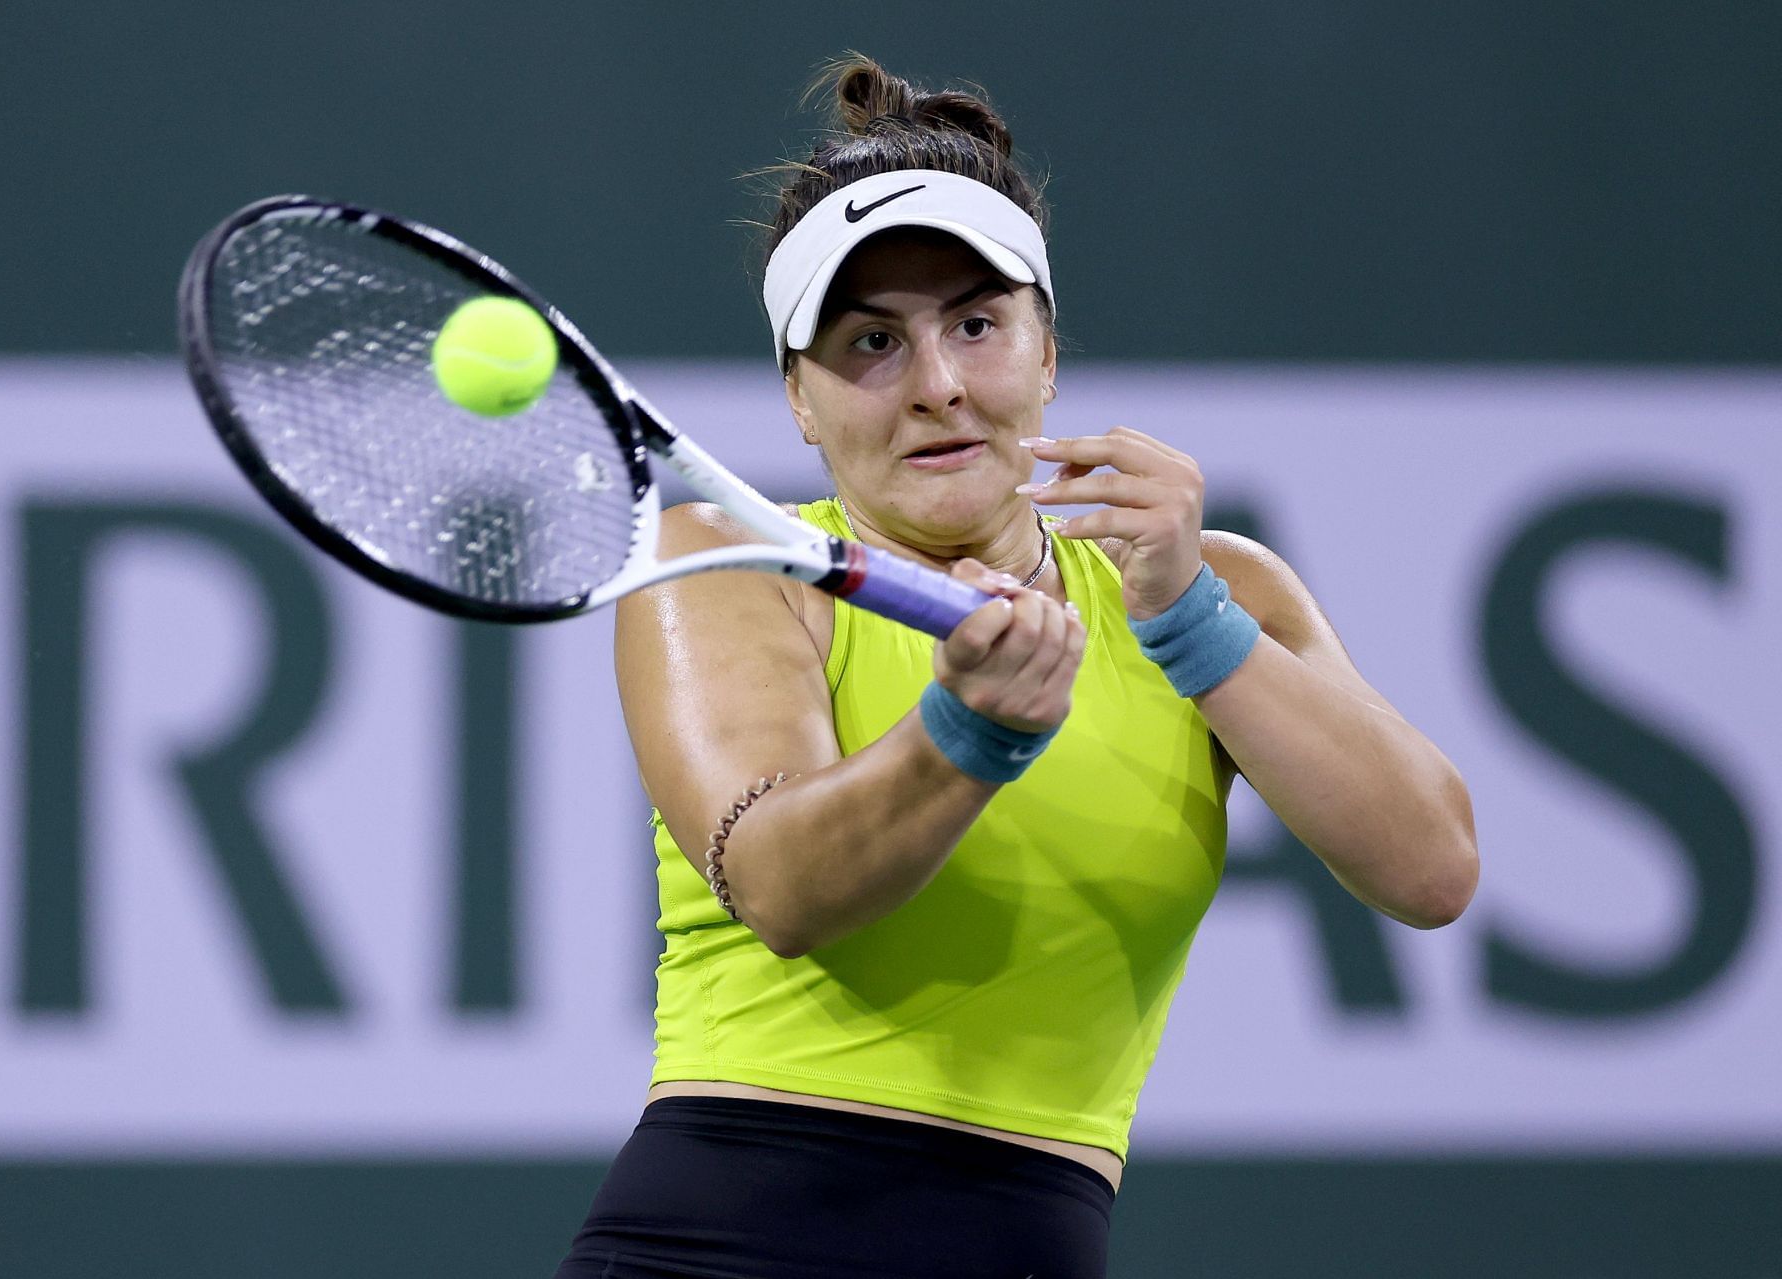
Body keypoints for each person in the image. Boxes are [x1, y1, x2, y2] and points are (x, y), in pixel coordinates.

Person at [555, 55, 1478, 1279]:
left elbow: (1431, 869)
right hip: (727, 1242)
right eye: (872, 341)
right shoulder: (733, 561)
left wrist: (1190, 617)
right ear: (800, 400)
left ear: (1047, 352)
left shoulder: (1223, 587)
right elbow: (781, 883)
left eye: (977, 325)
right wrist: (968, 732)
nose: (938, 386)